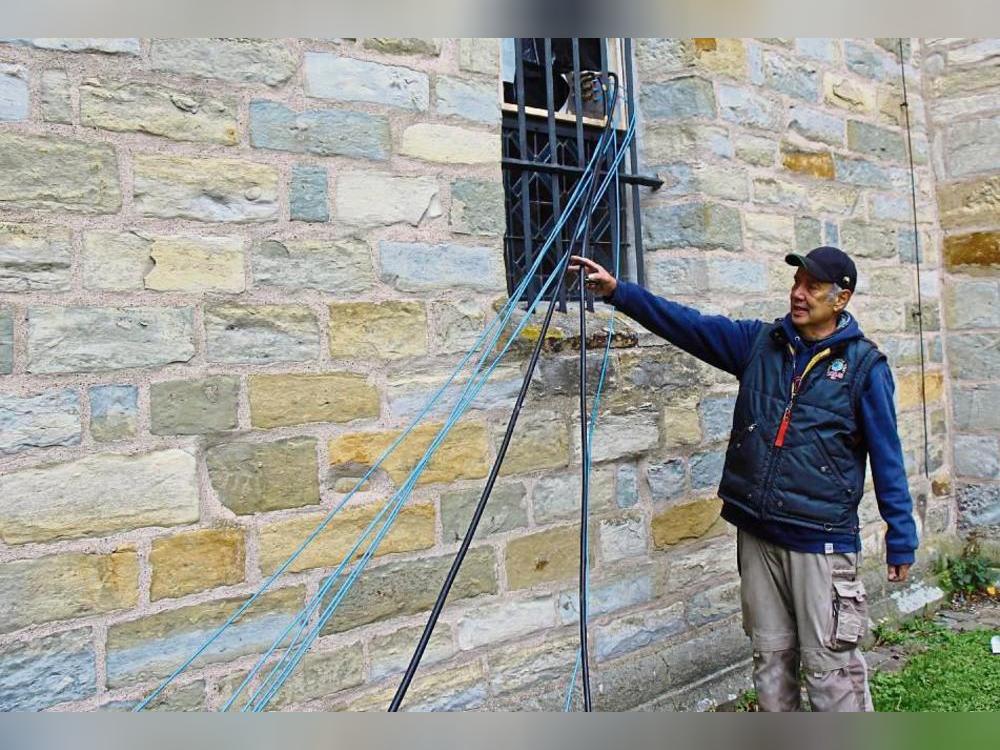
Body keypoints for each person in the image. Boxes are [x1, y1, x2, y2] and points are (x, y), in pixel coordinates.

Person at [569, 246, 918, 712]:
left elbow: (887, 456)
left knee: (831, 672)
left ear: (841, 299)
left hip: (821, 543)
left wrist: (902, 537)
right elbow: (689, 326)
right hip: (758, 534)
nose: (798, 293)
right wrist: (620, 294)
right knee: (771, 665)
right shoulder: (761, 344)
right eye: (796, 282)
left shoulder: (863, 367)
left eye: (812, 286)